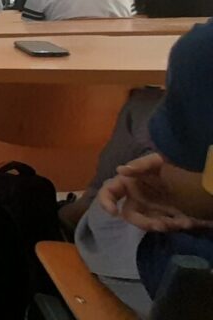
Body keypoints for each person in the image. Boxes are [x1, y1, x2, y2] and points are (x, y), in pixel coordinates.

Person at [73, 20, 213, 315]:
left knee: (109, 210)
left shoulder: (203, 50)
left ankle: (74, 212)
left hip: (191, 283)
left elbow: (196, 199)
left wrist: (172, 174)